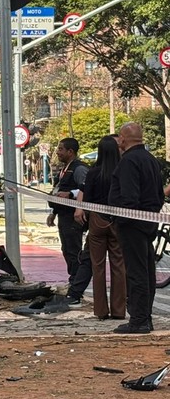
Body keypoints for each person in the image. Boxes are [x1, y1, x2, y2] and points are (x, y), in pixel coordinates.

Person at [108, 122, 163, 334]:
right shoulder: (150, 159)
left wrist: (121, 218)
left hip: (132, 224)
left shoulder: (129, 162)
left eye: (120, 138)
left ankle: (139, 320)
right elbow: (158, 194)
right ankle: (144, 317)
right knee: (147, 271)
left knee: (136, 272)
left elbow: (129, 197)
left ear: (123, 139)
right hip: (148, 221)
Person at [73, 135, 125, 320]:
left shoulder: (94, 172)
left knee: (98, 266)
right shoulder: (122, 171)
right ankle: (119, 310)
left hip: (97, 221)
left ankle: (101, 310)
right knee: (119, 265)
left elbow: (87, 199)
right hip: (118, 221)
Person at [46, 138, 89, 284]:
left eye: (60, 149)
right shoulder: (63, 170)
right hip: (63, 215)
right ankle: (73, 279)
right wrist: (53, 212)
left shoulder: (79, 169)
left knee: (73, 250)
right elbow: (59, 191)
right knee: (66, 249)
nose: (57, 152)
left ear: (70, 152)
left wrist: (71, 194)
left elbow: (87, 189)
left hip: (73, 217)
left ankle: (77, 282)